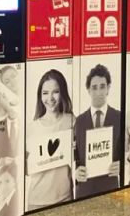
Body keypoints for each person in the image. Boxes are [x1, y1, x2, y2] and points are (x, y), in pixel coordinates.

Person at [26, 69, 74, 211]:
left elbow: (78, 158)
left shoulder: (71, 120)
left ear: (63, 93)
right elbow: (25, 169)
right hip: (37, 200)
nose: (50, 98)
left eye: (56, 92)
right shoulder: (32, 128)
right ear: (40, 96)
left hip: (64, 197)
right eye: (45, 93)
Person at [74, 64, 121, 198]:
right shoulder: (79, 121)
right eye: (94, 88)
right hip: (85, 189)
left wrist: (122, 165)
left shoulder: (119, 117)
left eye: (102, 86)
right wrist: (76, 171)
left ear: (108, 88)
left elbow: (126, 149)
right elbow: (74, 154)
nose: (99, 92)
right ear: (88, 90)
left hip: (110, 187)